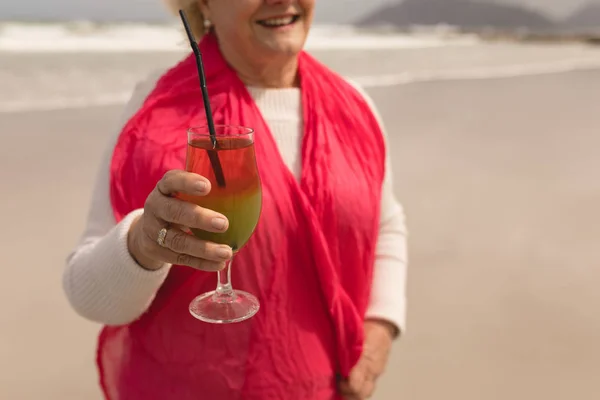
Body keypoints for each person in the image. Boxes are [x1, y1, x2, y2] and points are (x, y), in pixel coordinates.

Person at [63, 0, 408, 399]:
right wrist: (142, 244)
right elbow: (84, 292)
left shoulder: (355, 107)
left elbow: (385, 225)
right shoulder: (153, 111)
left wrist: (381, 325)